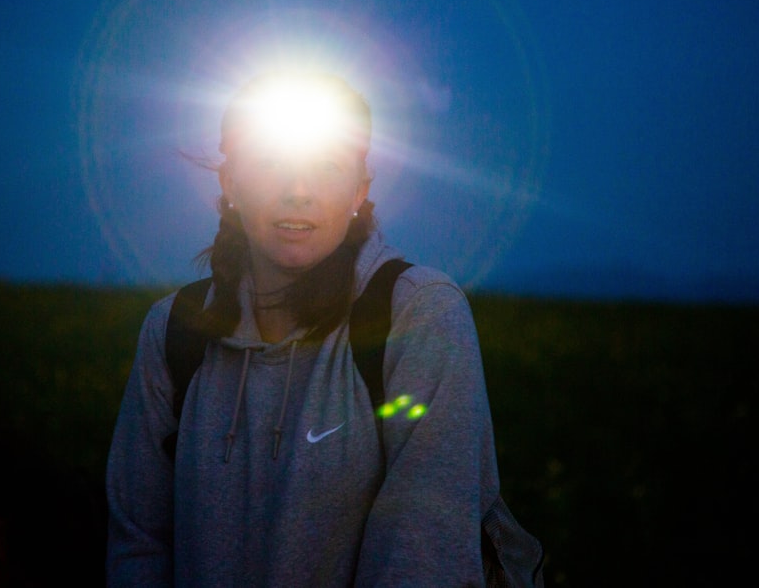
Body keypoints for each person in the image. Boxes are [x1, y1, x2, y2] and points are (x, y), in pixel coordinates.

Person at [105, 71, 509, 586]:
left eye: (327, 167)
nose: (298, 191)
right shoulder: (174, 330)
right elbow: (138, 543)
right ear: (231, 184)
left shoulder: (419, 314)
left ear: (360, 190)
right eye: (270, 163)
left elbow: (424, 554)